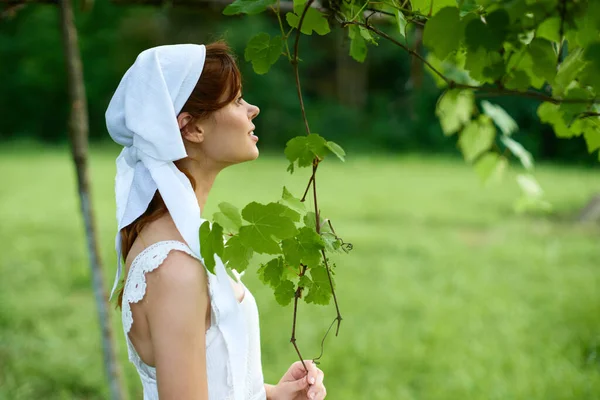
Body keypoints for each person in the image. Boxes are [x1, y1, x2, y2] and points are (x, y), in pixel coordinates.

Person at [105, 41, 327, 400]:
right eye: (237, 100)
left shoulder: (189, 239)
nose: (252, 109)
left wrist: (272, 394)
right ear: (191, 128)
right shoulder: (174, 266)